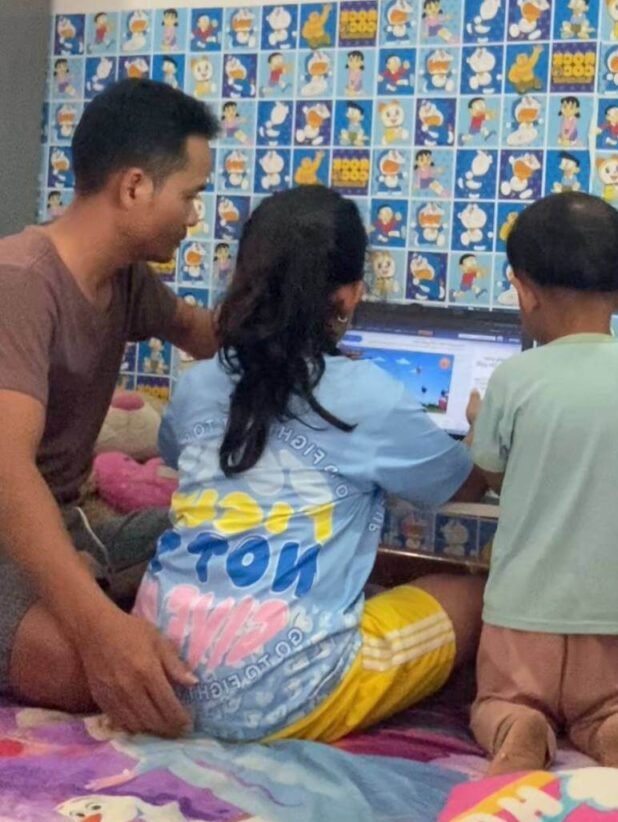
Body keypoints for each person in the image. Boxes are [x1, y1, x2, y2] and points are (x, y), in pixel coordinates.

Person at [134, 185, 486, 744]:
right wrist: (484, 429)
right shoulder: (368, 393)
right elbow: (461, 481)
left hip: (155, 679)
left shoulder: (199, 383)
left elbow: (178, 453)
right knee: (472, 592)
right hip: (283, 697)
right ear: (347, 298)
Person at [0, 79, 220, 739]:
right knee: (88, 672)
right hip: (8, 527)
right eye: (190, 197)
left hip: (67, 525)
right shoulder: (20, 282)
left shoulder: (125, 280)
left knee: (230, 541)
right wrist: (101, 631)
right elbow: (7, 474)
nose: (192, 218)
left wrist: (299, 332)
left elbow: (200, 332)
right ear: (133, 187)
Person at [467, 191, 618, 776]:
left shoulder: (514, 376)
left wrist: (478, 424)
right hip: (616, 615)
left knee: (502, 700)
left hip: (521, 611)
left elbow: (493, 474)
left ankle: (520, 727)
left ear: (524, 290)